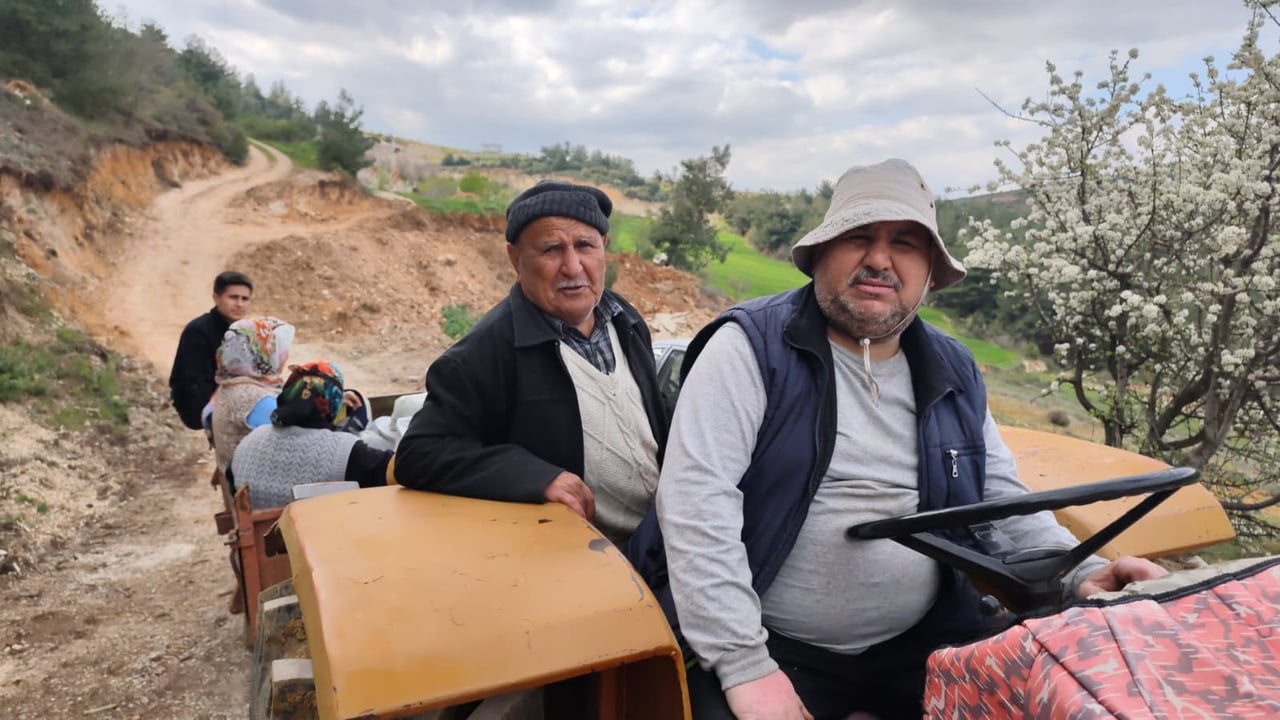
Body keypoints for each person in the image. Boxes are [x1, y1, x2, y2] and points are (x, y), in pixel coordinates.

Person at [627, 159, 1167, 720]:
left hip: (923, 641)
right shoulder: (750, 350)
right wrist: (746, 666)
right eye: (859, 236)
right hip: (771, 645)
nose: (880, 259)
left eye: (906, 243)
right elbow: (696, 503)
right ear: (820, 257)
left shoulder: (953, 369)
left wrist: (1079, 572)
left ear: (930, 272)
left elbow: (999, 501)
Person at [395, 180, 668, 547]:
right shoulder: (482, 355)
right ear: (515, 259)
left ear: (603, 247)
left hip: (661, 540)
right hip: (584, 561)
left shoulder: (626, 321)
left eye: (585, 246)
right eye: (551, 250)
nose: (573, 267)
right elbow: (419, 454)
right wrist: (537, 477)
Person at [231, 361, 392, 509]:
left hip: (259, 536)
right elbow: (395, 470)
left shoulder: (250, 440)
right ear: (333, 403)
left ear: (286, 394)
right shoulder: (345, 451)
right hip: (323, 536)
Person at [169, 271, 253, 430]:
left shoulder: (245, 332)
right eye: (233, 297)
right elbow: (193, 383)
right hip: (205, 410)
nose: (240, 304)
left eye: (245, 299)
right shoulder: (199, 331)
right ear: (216, 298)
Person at [211, 316, 294, 477]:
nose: (286, 356)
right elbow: (294, 444)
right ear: (264, 352)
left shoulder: (229, 384)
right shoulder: (258, 399)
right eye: (279, 349)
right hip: (259, 489)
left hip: (236, 478)